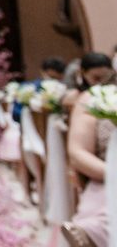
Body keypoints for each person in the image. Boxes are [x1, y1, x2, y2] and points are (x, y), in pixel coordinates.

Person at [61, 53, 115, 247]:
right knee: (101, 216)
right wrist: (113, 173)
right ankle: (90, 234)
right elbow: (77, 153)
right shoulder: (94, 97)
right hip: (107, 178)